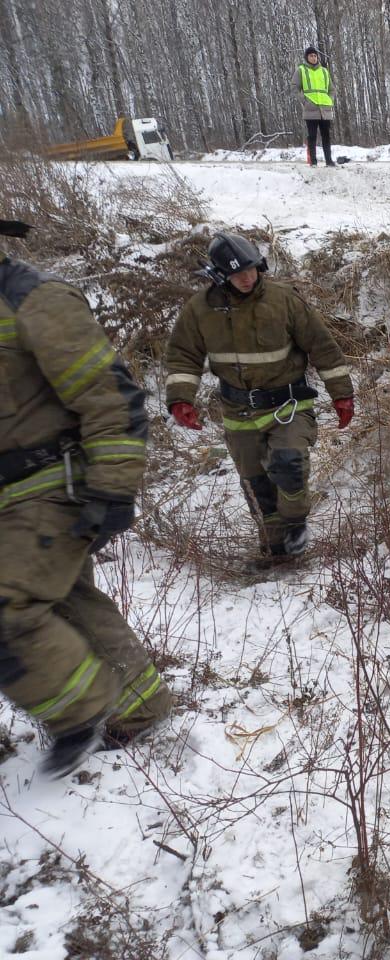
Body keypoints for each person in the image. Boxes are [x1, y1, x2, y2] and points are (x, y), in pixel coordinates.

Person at [0, 218, 172, 778]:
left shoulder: (35, 300)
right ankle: (140, 704)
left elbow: (109, 396)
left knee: (8, 606)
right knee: (67, 599)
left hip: (49, 487)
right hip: (11, 497)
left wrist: (115, 487)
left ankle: (81, 712)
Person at [165, 233, 355, 559]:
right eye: (237, 273)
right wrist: (181, 398)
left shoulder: (285, 300)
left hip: (289, 405)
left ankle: (295, 524)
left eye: (251, 269)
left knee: (289, 465)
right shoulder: (200, 310)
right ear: (219, 274)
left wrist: (342, 394)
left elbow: (323, 347)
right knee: (257, 487)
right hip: (238, 411)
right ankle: (276, 550)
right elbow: (183, 356)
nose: (246, 277)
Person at [298, 46, 336, 168]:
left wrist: (330, 100)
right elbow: (294, 88)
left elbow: (332, 89)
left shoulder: (324, 71)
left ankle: (329, 161)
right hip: (310, 109)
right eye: (311, 56)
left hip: (325, 109)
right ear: (306, 57)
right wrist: (304, 101)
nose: (313, 58)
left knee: (326, 135)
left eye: (315, 55)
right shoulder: (301, 70)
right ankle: (313, 162)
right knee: (312, 136)